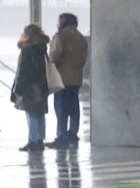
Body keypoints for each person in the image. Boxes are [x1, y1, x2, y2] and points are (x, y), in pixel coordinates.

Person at [10, 23, 52, 152]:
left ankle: (32, 140)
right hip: (42, 85)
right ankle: (39, 139)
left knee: (31, 114)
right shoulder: (42, 49)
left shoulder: (27, 50)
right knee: (40, 113)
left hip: (30, 86)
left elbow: (23, 71)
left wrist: (17, 89)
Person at [48, 13, 88, 147]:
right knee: (74, 107)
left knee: (61, 108)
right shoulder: (81, 38)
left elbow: (55, 54)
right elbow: (83, 59)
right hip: (76, 78)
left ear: (63, 22)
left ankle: (61, 136)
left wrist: (52, 63)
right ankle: (73, 133)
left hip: (61, 78)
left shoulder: (60, 36)